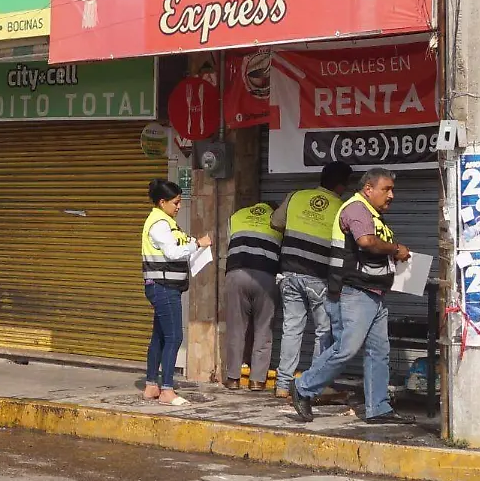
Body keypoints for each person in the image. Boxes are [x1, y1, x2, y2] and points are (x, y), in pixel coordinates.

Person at [292, 168, 413, 424]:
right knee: (345, 349)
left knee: (378, 351)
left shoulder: (373, 214)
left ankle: (378, 408)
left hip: (374, 292)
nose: (391, 195)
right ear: (369, 188)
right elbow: (366, 242)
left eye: (392, 189)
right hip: (354, 291)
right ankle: (303, 388)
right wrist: (395, 249)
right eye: (386, 189)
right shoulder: (357, 208)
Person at [271, 162, 354, 399]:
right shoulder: (343, 207)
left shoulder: (296, 196)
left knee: (291, 329)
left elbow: (276, 223)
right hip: (318, 277)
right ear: (342, 185)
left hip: (288, 273)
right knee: (323, 331)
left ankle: (283, 385)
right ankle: (316, 385)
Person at [141, 179, 211, 406]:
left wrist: (194, 244)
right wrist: (197, 245)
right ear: (162, 202)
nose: (179, 206)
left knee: (160, 336)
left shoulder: (166, 222)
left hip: (164, 286)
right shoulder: (159, 223)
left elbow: (178, 245)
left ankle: (152, 385)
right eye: (176, 202)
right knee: (174, 337)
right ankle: (167, 390)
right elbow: (172, 253)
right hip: (163, 287)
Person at [223, 201, 282, 391]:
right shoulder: (278, 219)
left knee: (235, 328)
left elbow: (228, 243)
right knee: (264, 329)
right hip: (266, 276)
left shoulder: (237, 216)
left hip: (236, 273)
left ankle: (233, 378)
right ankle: (257, 380)